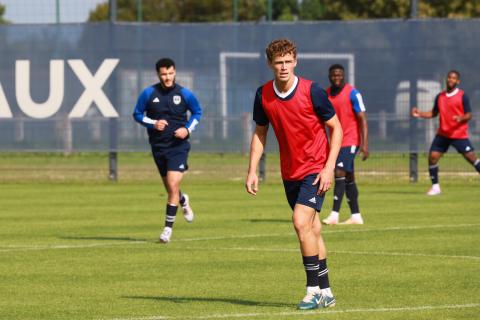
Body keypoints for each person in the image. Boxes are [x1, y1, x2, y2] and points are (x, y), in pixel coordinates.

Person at [245, 39, 343, 310]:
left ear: (296, 61)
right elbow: (260, 133)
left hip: (315, 168)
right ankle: (326, 292)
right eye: (279, 62)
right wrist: (252, 170)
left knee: (300, 222)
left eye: (289, 61)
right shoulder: (262, 94)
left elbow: (337, 128)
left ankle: (312, 290)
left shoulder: (313, 91)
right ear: (270, 64)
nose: (284, 67)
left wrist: (328, 168)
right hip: (290, 172)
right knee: (312, 229)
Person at [133, 58, 202, 243]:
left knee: (172, 184)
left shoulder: (184, 93)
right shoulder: (148, 93)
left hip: (178, 147)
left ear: (175, 72)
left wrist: (187, 129)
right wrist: (153, 123)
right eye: (164, 74)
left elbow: (197, 112)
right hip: (158, 147)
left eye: (170, 73)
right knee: (171, 188)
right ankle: (183, 200)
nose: (167, 77)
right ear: (158, 74)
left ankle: (167, 230)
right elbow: (137, 114)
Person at [412, 70, 479, 195]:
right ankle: (436, 188)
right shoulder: (440, 96)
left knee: (472, 158)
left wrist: (461, 118)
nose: (450, 80)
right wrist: (419, 113)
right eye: (449, 77)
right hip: (443, 134)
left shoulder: (462, 96)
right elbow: (433, 113)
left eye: (453, 78)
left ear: (458, 81)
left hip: (458, 134)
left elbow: (469, 114)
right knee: (432, 157)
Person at [322, 64, 369, 225]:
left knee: (339, 172)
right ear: (329, 76)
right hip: (336, 141)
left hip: (351, 140)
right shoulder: (326, 94)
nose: (336, 77)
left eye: (339, 75)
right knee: (348, 177)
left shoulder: (353, 93)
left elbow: (362, 119)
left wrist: (365, 144)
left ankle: (334, 214)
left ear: (344, 76)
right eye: (334, 75)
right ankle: (356, 215)